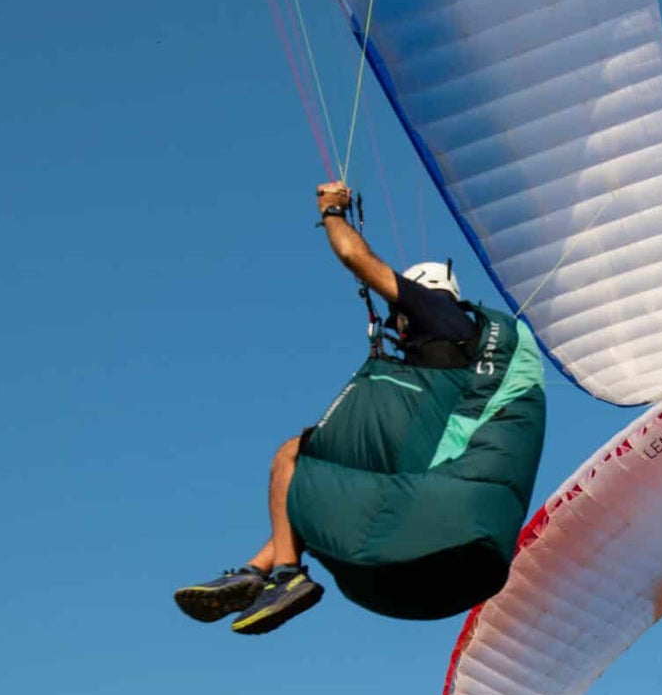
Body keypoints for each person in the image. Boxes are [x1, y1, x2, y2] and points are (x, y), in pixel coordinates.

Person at [174, 181, 489, 635]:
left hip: (411, 451)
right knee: (309, 495)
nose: (398, 324)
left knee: (292, 455)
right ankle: (256, 571)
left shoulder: (433, 309)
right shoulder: (469, 339)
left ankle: (287, 574)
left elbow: (354, 256)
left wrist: (333, 212)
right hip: (424, 462)